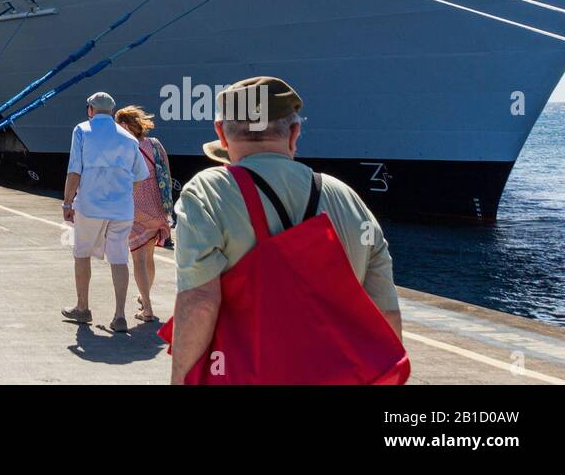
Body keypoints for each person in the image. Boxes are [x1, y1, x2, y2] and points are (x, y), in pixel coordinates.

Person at [169, 76, 403, 385]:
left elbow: (199, 302)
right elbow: (384, 315)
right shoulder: (347, 199)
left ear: (221, 135)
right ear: (294, 133)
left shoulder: (208, 192)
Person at [61, 91, 148, 334]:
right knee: (119, 259)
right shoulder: (129, 138)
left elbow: (74, 170)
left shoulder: (81, 131)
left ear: (90, 109)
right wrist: (122, 194)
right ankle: (119, 316)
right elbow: (140, 176)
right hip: (121, 209)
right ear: (112, 111)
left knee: (82, 254)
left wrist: (67, 203)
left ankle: (82, 308)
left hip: (90, 205)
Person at [115, 105, 173, 323]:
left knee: (137, 257)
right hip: (157, 206)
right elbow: (166, 173)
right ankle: (143, 295)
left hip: (135, 205)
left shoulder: (124, 146)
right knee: (148, 256)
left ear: (125, 126)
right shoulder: (155, 143)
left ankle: (147, 308)